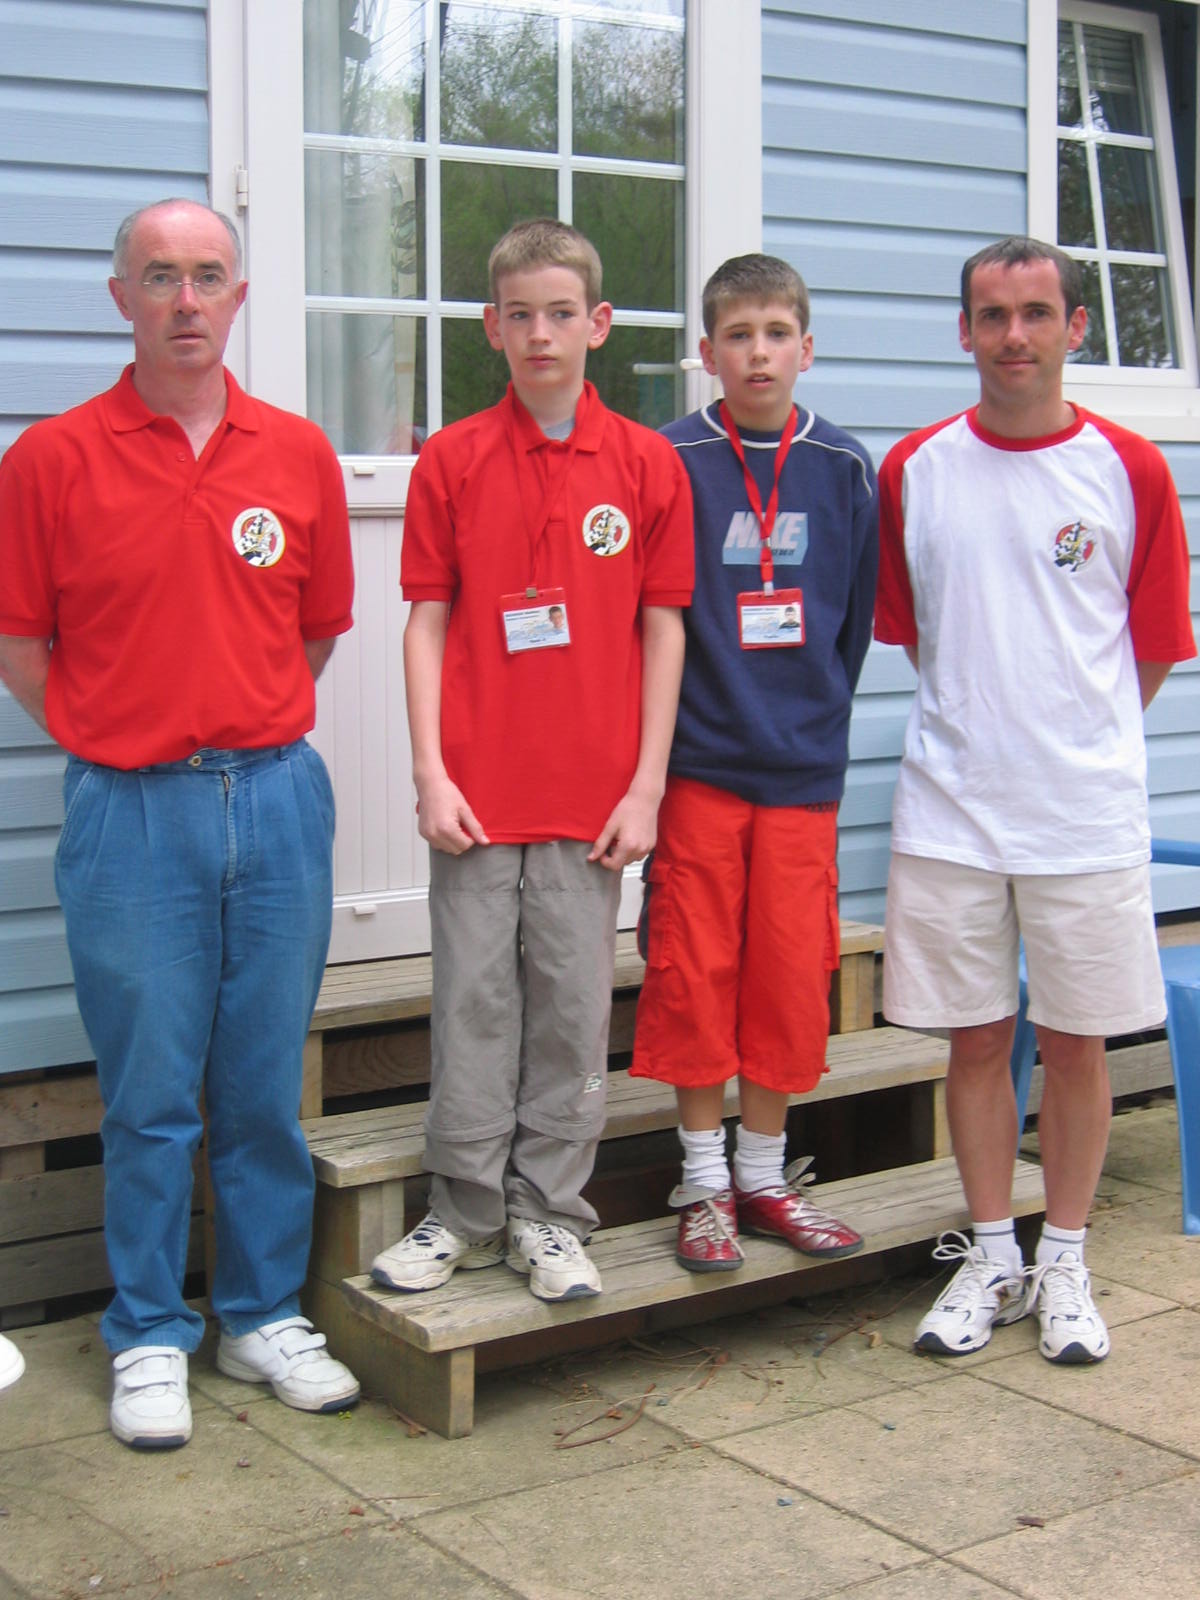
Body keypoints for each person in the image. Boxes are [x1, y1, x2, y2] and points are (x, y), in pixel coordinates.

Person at [0, 199, 360, 1448]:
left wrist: (235, 725)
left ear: (239, 294)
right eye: (160, 276)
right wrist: (117, 733)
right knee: (149, 1091)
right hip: (133, 810)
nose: (187, 300)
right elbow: (22, 644)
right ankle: (150, 1329)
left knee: (259, 1083)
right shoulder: (51, 460)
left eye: (209, 275)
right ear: (122, 297)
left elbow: (313, 632)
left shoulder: (297, 454)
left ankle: (260, 1314)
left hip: (276, 798)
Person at [876, 236, 1196, 1363]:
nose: (1014, 335)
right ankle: (991, 1256)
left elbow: (1149, 650)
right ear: (964, 330)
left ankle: (1064, 1258)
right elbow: (921, 637)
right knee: (976, 1038)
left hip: (1081, 813)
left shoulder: (1130, 469)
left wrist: (1068, 733)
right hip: (952, 807)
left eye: (1036, 313)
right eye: (992, 315)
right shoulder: (914, 470)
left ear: (1075, 327)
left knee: (1075, 1043)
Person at [369, 219, 694, 1302]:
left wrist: (646, 785)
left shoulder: (646, 463)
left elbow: (663, 630)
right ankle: (463, 1210)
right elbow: (425, 622)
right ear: (491, 327)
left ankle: (549, 1216)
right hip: (476, 793)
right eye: (521, 315)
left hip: (591, 798)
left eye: (561, 313)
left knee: (568, 1008)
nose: (541, 333)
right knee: (470, 1001)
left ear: (599, 324)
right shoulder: (453, 459)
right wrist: (430, 772)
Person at [630, 253, 879, 1270]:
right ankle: (703, 1183)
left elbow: (853, 625)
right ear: (707, 352)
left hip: (802, 773)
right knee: (695, 972)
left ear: (806, 348)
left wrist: (809, 719)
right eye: (738, 335)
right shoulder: (670, 458)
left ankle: (766, 1175)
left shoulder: (845, 467)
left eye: (777, 333)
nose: (759, 353)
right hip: (699, 766)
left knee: (785, 974)